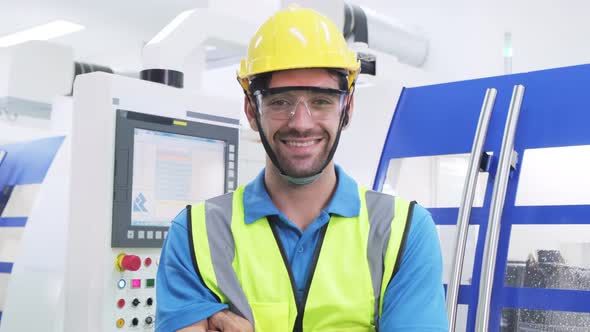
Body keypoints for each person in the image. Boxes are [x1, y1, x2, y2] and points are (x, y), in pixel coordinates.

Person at [156, 5, 447, 332]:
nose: (301, 123)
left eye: (321, 101)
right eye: (280, 101)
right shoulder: (195, 235)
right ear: (252, 110)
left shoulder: (403, 232)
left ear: (347, 108)